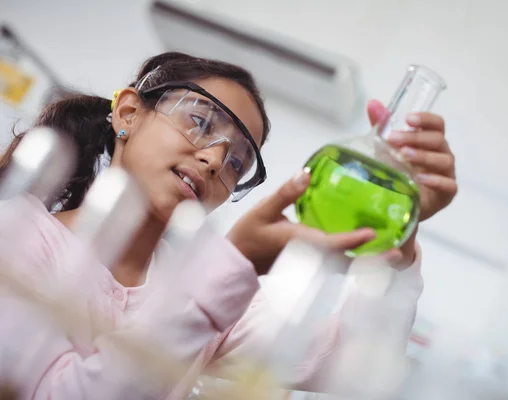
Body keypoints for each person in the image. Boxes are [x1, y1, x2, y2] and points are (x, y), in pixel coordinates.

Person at [0, 52, 457, 398]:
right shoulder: (16, 233)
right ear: (128, 113)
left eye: (239, 161)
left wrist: (395, 252)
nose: (216, 159)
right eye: (199, 122)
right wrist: (232, 262)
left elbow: (344, 366)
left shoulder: (193, 283)